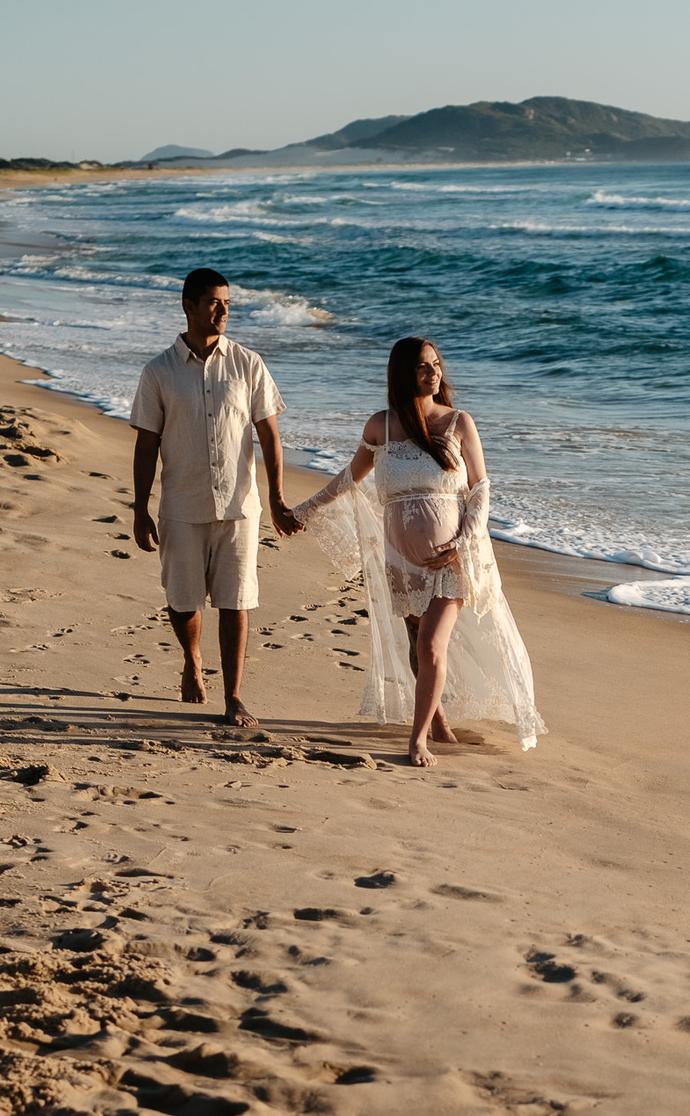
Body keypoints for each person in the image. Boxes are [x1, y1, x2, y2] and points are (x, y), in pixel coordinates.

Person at [295, 338, 543, 765]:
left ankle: (419, 739)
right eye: (422, 367)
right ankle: (440, 719)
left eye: (435, 364)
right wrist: (302, 511)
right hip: (400, 560)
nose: (433, 372)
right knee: (417, 644)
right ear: (402, 374)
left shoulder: (458, 422)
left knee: (430, 643)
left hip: (451, 556)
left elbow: (481, 488)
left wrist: (463, 540)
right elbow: (349, 478)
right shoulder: (381, 426)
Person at [130, 266, 301, 726]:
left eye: (227, 302)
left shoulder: (248, 363)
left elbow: (269, 434)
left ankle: (234, 695)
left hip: (239, 508)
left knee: (236, 600)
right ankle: (191, 659)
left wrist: (278, 497)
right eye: (213, 302)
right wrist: (140, 508)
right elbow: (146, 444)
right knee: (184, 601)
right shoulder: (159, 372)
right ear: (188, 306)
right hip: (181, 506)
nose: (223, 310)